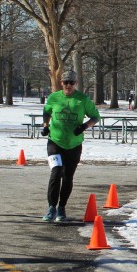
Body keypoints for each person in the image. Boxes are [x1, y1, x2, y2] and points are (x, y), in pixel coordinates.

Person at [41, 70, 100, 222]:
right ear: (61, 83)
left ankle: (61, 208)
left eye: (71, 83)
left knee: (67, 177)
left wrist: (84, 126)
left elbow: (96, 117)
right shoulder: (54, 97)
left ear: (76, 84)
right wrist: (45, 126)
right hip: (55, 141)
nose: (68, 85)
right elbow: (46, 112)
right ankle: (51, 207)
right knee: (56, 172)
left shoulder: (83, 99)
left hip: (74, 144)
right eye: (65, 82)